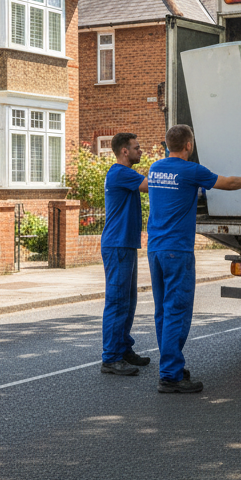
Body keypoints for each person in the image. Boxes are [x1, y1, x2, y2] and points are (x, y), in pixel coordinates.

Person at [146, 124, 241, 394]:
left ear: (167, 145)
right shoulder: (192, 171)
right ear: (189, 145)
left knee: (163, 311)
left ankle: (170, 365)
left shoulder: (156, 169)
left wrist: (196, 191)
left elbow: (173, 193)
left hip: (155, 249)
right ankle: (171, 375)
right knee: (177, 309)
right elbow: (228, 183)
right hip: (178, 250)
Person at [99, 132, 152, 377]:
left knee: (128, 302)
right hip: (117, 245)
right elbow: (149, 185)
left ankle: (123, 349)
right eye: (137, 148)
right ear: (124, 151)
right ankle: (110, 359)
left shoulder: (124, 174)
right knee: (118, 301)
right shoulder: (121, 173)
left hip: (125, 244)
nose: (140, 151)